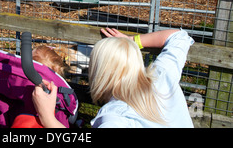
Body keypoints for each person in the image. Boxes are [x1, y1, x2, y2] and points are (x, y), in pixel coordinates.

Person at [32, 28, 195, 128]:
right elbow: (179, 37)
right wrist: (132, 41)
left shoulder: (115, 117)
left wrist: (47, 118)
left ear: (99, 72)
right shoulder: (162, 75)